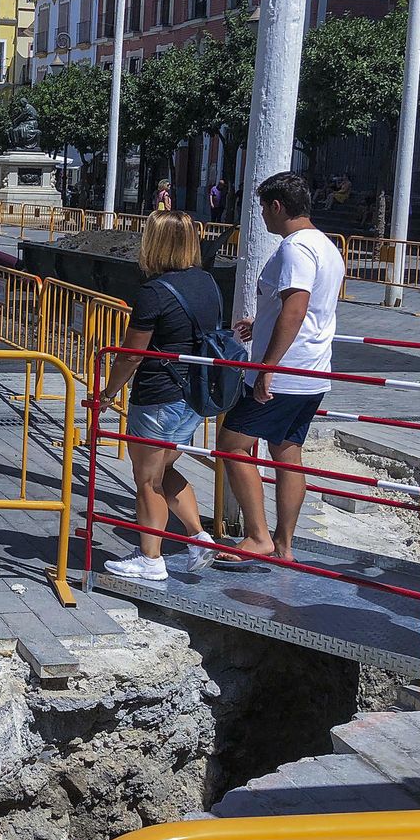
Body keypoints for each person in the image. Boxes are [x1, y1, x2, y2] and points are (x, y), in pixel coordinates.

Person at [218, 171, 345, 564]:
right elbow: (300, 306)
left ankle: (258, 537)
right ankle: (285, 543)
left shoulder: (295, 248)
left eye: (262, 208)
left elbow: (297, 305)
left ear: (277, 206)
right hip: (312, 369)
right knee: (287, 452)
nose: (261, 216)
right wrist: (263, 321)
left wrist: (268, 365)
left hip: (286, 371)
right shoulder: (326, 245)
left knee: (232, 444)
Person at [95, 211, 222, 582]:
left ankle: (150, 559)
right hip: (193, 397)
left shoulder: (154, 291)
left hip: (157, 396)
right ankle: (199, 538)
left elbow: (133, 353)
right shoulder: (209, 283)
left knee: (147, 478)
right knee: (164, 468)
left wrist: (108, 392)